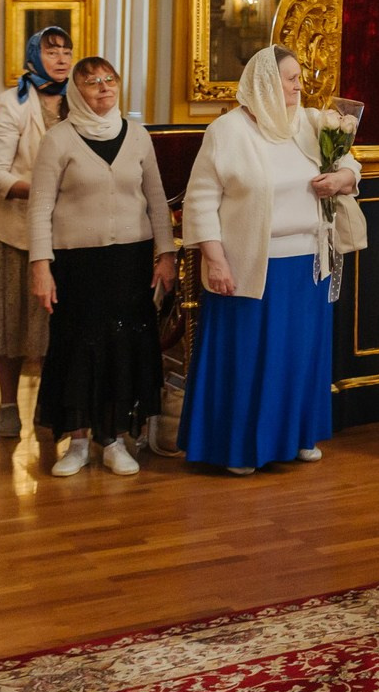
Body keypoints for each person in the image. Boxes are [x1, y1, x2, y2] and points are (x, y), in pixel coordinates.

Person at [179, 44, 360, 474]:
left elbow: (352, 163)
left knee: (298, 357)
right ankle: (241, 449)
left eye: (300, 78)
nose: (300, 85)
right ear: (264, 82)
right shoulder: (227, 131)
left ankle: (296, 436)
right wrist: (216, 260)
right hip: (249, 264)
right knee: (249, 361)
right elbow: (200, 201)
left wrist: (341, 178)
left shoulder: (311, 123)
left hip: (307, 266)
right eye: (291, 78)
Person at [26, 57, 177, 477]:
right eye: (91, 82)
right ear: (76, 91)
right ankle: (77, 442)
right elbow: (39, 208)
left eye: (110, 79)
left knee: (121, 346)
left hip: (130, 261)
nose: (103, 88)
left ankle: (113, 439)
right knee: (77, 347)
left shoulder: (137, 136)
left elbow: (157, 199)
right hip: (76, 263)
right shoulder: (58, 139)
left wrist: (166, 255)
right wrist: (41, 266)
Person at [0, 25, 71, 439]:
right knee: (10, 323)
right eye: (52, 51)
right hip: (15, 231)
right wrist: (41, 189)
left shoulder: (80, 100)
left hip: (65, 232)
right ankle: (7, 405)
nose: (62, 58)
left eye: (67, 51)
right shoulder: (12, 103)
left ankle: (49, 404)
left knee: (56, 326)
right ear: (34, 56)